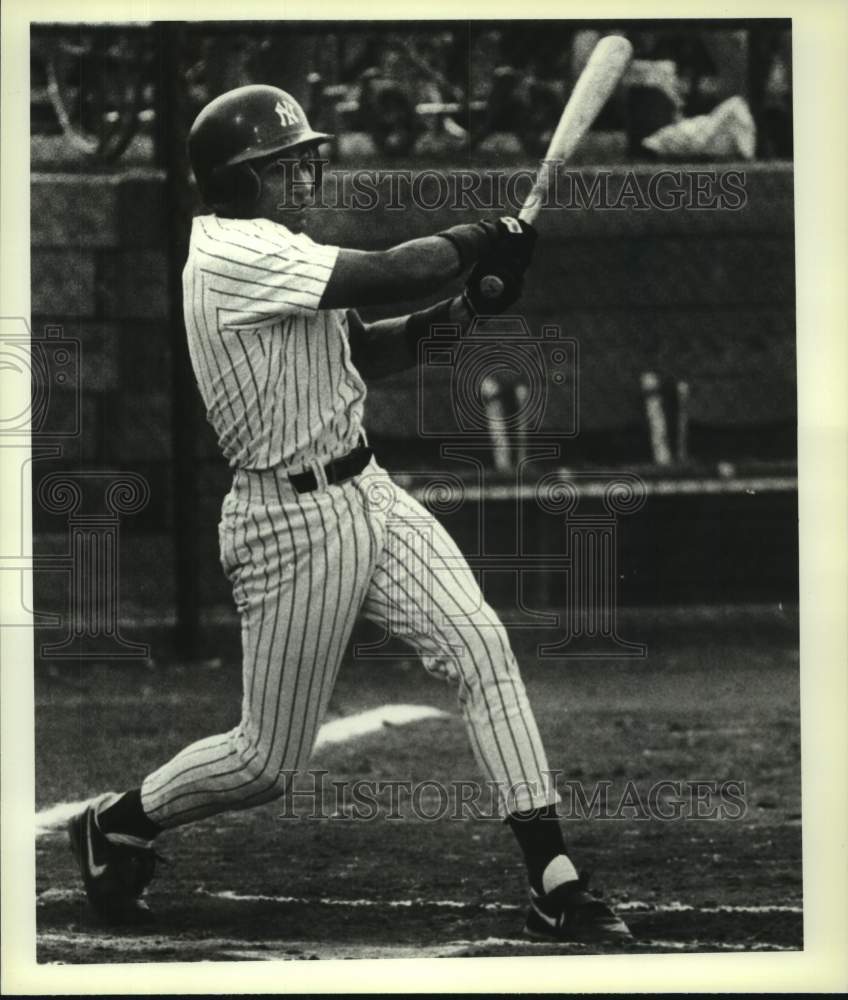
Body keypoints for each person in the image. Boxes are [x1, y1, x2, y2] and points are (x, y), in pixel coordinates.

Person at [68, 84, 631, 944]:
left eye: (301, 159)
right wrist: (485, 237)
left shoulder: (277, 249)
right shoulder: (230, 255)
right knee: (266, 764)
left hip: (366, 489)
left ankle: (554, 879)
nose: (304, 174)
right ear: (240, 179)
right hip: (286, 524)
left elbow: (371, 345)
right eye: (283, 164)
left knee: (480, 645)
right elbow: (389, 269)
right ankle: (116, 825)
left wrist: (468, 305)